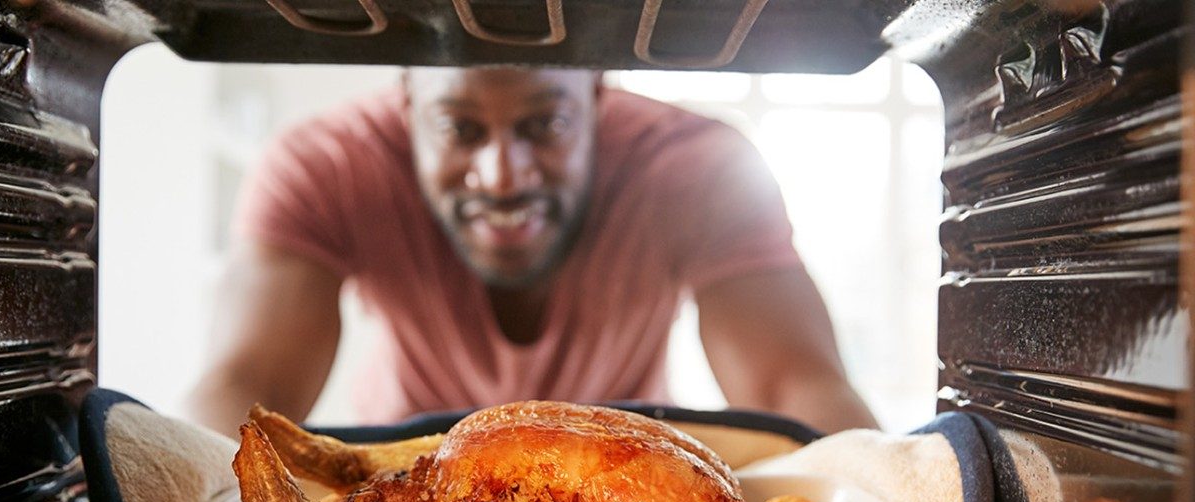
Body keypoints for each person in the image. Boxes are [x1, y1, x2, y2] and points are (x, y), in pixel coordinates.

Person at [184, 67, 878, 436]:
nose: (503, 177)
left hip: (623, 491)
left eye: (546, 123)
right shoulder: (326, 163)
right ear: (406, 101)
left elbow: (793, 388)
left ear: (598, 93)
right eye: (459, 127)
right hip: (406, 488)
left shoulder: (698, 167)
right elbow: (248, 387)